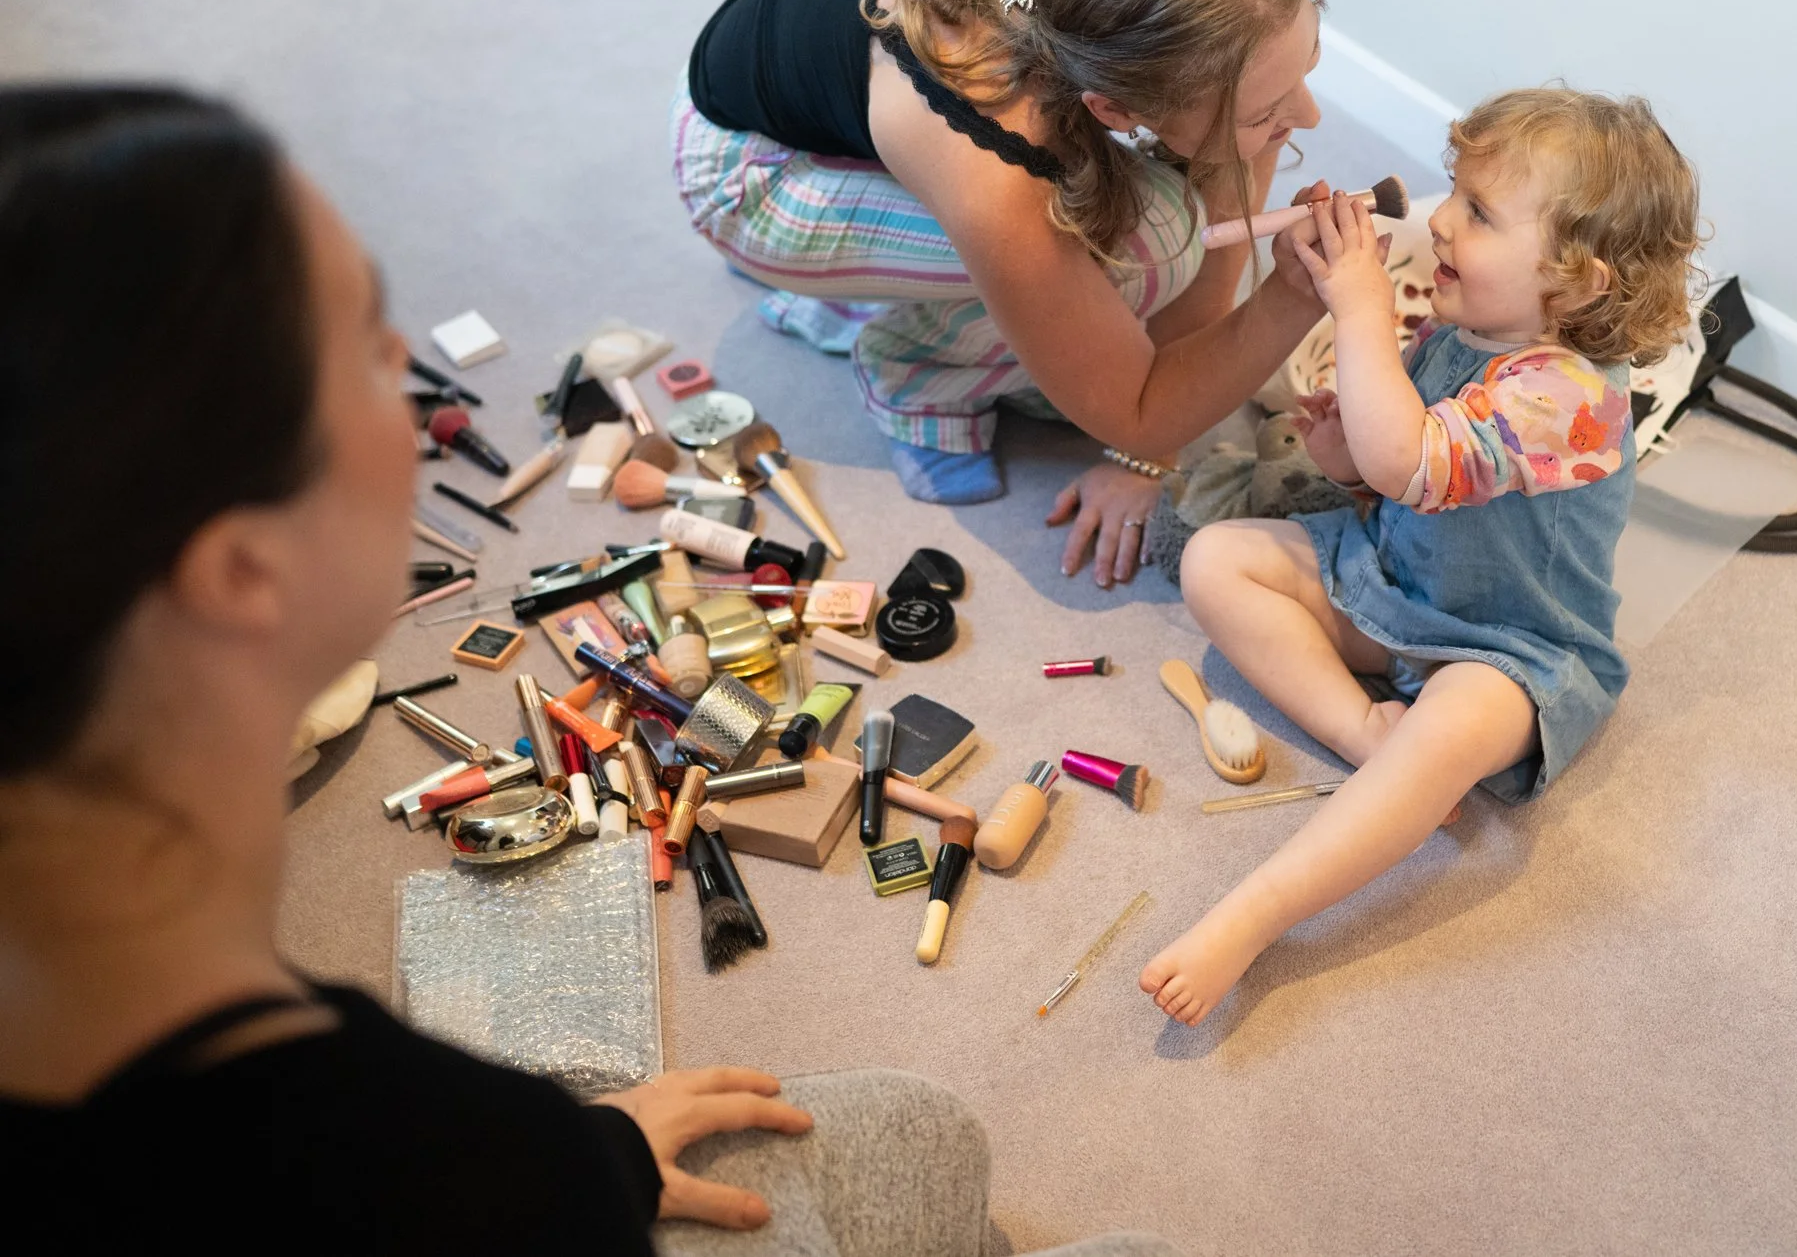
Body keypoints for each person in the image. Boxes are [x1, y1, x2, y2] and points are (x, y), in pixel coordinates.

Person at [0, 87, 1176, 1257]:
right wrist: (566, 1165)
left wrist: (596, 1147)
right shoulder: (417, 1155)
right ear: (241, 572)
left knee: (924, 1135)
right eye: (366, 347)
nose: (411, 366)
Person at [1146, 88, 1703, 1025]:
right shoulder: (1467, 331)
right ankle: (1367, 733)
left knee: (1453, 726)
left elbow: (1412, 458)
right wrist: (1342, 462)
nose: (1439, 221)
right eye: (1454, 192)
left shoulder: (1569, 395)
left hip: (1512, 649)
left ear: (1577, 284)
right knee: (1215, 560)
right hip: (1397, 581)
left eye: (1479, 214)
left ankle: (1256, 914)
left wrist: (1360, 309)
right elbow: (1396, 471)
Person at [675, 0, 1333, 586]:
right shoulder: (995, 158)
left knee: (1156, 234)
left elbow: (1226, 210)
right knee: (1154, 241)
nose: (1311, 117)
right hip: (744, 174)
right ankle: (911, 372)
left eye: (1305, 68)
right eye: (1264, 110)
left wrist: (1255, 130)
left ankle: (923, 295)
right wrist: (1283, 301)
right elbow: (1140, 407)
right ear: (1113, 108)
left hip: (844, 116)